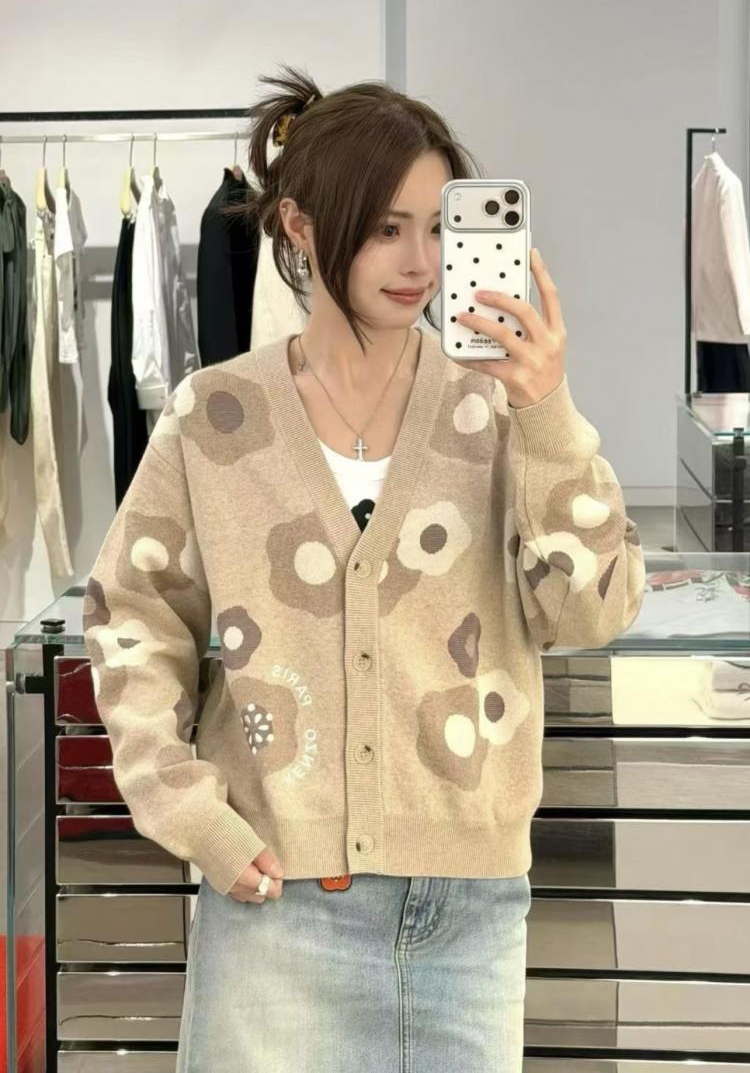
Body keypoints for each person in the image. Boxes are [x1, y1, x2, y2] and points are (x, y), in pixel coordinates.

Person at [83, 64, 647, 1072]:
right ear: (300, 227)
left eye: (436, 227)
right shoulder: (216, 416)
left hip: (470, 914)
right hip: (274, 902)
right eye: (387, 228)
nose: (420, 261)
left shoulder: (497, 409)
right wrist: (188, 809)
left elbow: (592, 611)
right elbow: (131, 617)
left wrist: (549, 412)